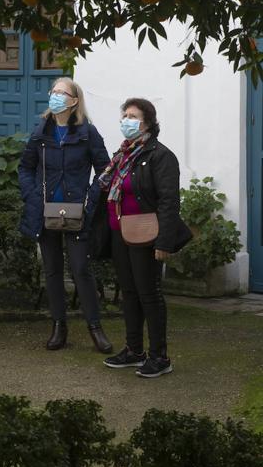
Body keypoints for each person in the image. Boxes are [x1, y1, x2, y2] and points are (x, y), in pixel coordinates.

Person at [18, 77, 113, 354]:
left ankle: (95, 328)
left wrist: (90, 199)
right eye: (53, 91)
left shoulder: (88, 133)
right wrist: (32, 195)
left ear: (74, 101)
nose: (55, 95)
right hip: (44, 213)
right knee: (52, 271)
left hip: (77, 213)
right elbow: (25, 168)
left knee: (82, 271)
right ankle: (59, 326)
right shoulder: (41, 132)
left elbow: (105, 170)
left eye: (62, 92)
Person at [100, 97, 191, 378]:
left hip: (147, 235)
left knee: (148, 294)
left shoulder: (160, 155)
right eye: (124, 115)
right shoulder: (123, 154)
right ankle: (134, 351)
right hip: (120, 232)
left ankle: (159, 356)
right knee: (129, 293)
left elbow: (168, 202)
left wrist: (164, 242)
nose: (126, 120)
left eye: (133, 116)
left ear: (148, 122)